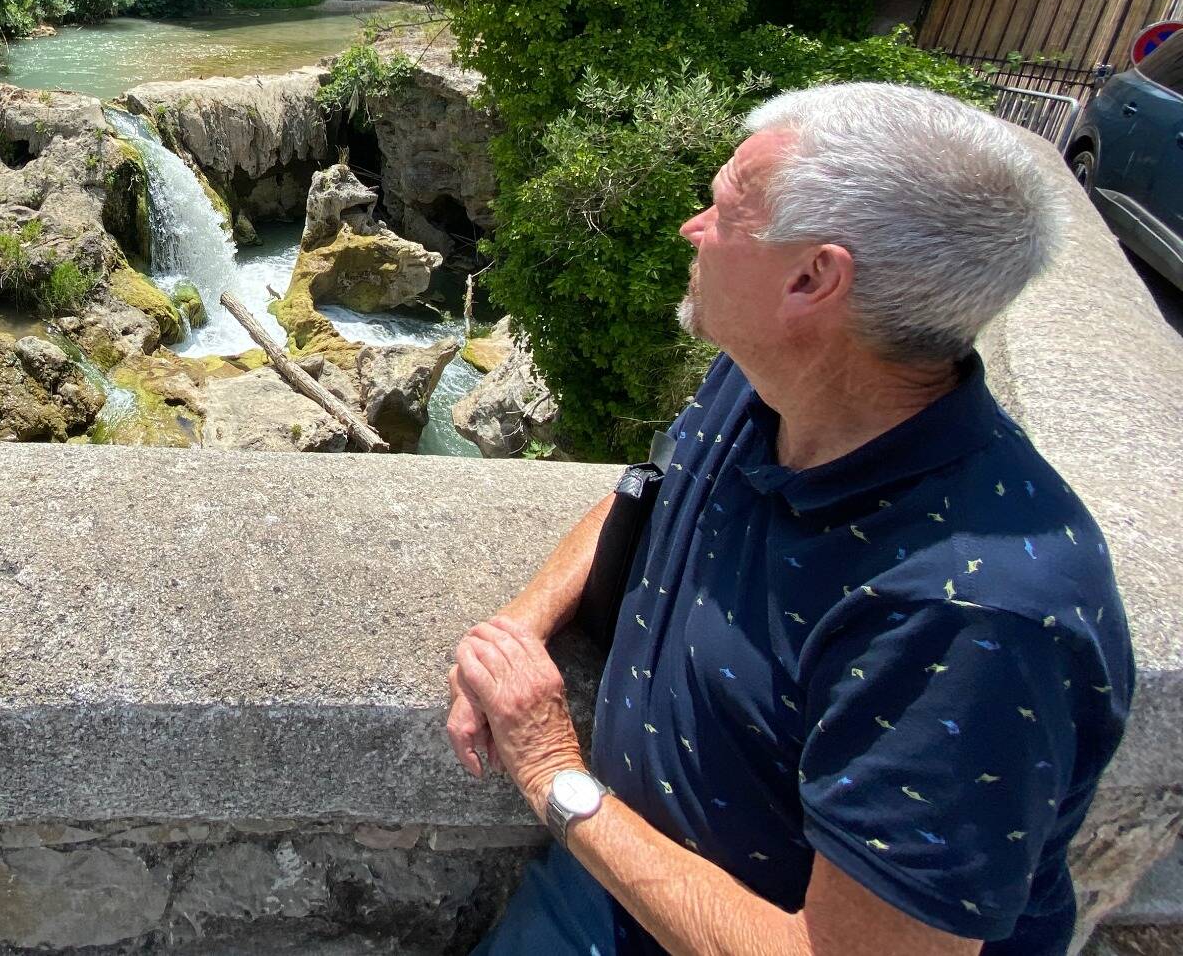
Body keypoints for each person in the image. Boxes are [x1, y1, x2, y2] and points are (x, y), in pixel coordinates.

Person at [450, 83, 1134, 956]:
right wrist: (522, 622)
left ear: (813, 279)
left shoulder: (974, 617)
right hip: (610, 886)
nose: (691, 227)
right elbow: (652, 498)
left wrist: (554, 772)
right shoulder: (771, 382)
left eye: (725, 209)